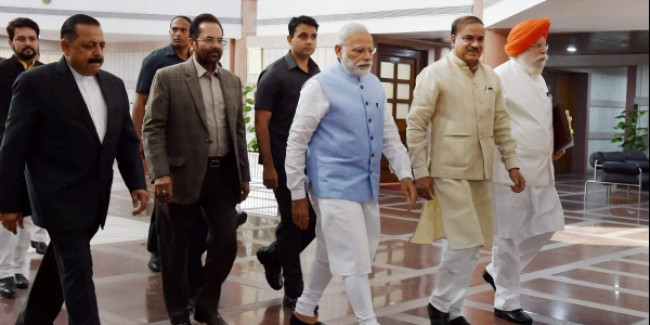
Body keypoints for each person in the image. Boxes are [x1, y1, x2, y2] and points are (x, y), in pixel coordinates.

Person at [0, 13, 149, 325]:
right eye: (88, 45)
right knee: (79, 272)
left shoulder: (113, 84)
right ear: (66, 46)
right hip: (56, 198)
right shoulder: (34, 83)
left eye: (101, 45)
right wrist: (9, 202)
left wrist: (137, 182)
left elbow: (125, 139)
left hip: (95, 200)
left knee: (60, 268)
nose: (97, 52)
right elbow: (13, 148)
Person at [286, 23, 417, 325]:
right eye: (358, 49)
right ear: (338, 51)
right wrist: (297, 193)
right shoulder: (319, 86)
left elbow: (388, 135)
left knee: (329, 251)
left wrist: (404, 173)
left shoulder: (374, 85)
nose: (365, 56)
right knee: (355, 259)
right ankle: (367, 321)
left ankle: (304, 310)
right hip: (331, 186)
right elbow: (296, 141)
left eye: (369, 49)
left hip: (366, 185)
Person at [406, 15, 526, 325]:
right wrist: (420, 170)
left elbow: (501, 124)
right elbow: (416, 124)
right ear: (453, 40)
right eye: (468, 38)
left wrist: (512, 164)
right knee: (463, 243)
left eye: (480, 39)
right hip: (448, 172)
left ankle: (450, 309)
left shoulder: (490, 77)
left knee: (472, 246)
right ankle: (441, 305)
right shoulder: (434, 75)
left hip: (482, 173)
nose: (475, 44)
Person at [142, 13, 250, 325]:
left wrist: (243, 174)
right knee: (175, 251)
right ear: (192, 43)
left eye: (220, 40)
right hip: (179, 178)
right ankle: (178, 314)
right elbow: (152, 129)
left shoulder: (231, 82)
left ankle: (205, 305)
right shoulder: (168, 77)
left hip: (222, 176)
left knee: (226, 243)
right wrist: (160, 173)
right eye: (208, 39)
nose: (216, 46)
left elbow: (238, 131)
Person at [481, 18, 565, 325]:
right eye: (538, 45)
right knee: (508, 237)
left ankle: (495, 271)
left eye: (545, 45)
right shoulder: (498, 76)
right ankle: (506, 301)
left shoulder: (539, 79)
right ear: (521, 47)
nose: (545, 51)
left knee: (548, 224)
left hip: (542, 169)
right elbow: (487, 124)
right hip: (508, 172)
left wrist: (555, 144)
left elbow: (539, 122)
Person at [254, 15, 320, 309]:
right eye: (303, 35)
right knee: (293, 223)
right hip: (281, 163)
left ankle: (272, 254)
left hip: (311, 163)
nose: (308, 41)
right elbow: (261, 123)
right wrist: (268, 166)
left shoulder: (317, 73)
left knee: (313, 222)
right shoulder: (274, 74)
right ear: (289, 38)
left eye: (313, 36)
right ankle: (295, 290)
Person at [131, 15, 193, 273]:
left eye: (182, 30)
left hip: (192, 144)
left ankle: (188, 247)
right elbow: (140, 105)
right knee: (164, 199)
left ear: (192, 36)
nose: (177, 34)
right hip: (162, 143)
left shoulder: (199, 59)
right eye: (173, 29)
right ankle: (156, 251)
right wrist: (139, 148)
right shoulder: (155, 61)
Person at [0, 16, 49, 299]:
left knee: (29, 218)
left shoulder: (48, 73)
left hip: (38, 158)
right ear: (11, 42)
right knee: (7, 217)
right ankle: (4, 272)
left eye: (32, 38)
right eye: (21, 39)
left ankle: (20, 269)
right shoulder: (2, 72)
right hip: (8, 156)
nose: (27, 43)